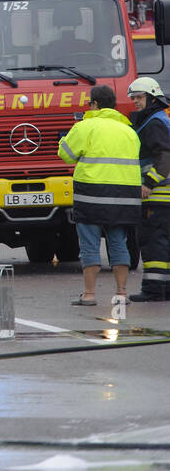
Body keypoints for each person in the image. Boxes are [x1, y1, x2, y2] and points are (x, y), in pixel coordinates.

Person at [58, 85, 140, 307]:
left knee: (89, 245)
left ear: (94, 104)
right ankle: (121, 294)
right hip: (124, 197)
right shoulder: (129, 130)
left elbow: (66, 154)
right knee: (118, 244)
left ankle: (89, 295)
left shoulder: (85, 126)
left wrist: (64, 138)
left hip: (92, 195)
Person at [128, 77, 170, 301]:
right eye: (133, 98)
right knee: (162, 241)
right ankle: (165, 289)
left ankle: (153, 290)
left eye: (139, 97)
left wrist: (149, 183)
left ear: (152, 98)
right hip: (162, 195)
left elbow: (165, 156)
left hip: (157, 194)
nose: (135, 102)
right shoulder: (157, 119)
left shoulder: (154, 122)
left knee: (153, 241)